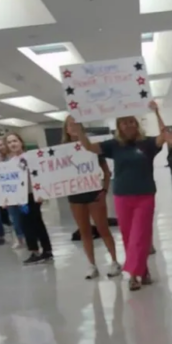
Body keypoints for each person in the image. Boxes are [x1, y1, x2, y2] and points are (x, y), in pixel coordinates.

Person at [70, 101, 172, 291]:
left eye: (131, 122)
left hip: (145, 195)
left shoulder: (147, 143)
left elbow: (164, 135)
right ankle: (141, 271)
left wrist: (157, 112)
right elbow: (89, 148)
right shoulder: (114, 145)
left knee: (140, 235)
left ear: (137, 124)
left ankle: (134, 274)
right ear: (119, 127)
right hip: (122, 196)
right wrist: (79, 130)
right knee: (127, 235)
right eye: (124, 123)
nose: (129, 125)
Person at [62, 120, 121, 279]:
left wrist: (104, 189)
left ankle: (114, 261)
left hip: (95, 194)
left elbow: (106, 172)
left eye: (76, 124)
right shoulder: (61, 152)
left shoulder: (92, 147)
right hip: (75, 196)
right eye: (70, 125)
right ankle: (91, 264)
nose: (73, 127)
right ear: (66, 130)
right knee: (84, 231)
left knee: (103, 228)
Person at [2, 133, 53, 265]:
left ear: (21, 142)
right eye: (9, 142)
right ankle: (35, 250)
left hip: (33, 195)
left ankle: (46, 250)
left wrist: (42, 193)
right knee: (26, 223)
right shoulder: (9, 164)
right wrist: (6, 199)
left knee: (36, 222)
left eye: (15, 141)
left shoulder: (31, 158)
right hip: (20, 197)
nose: (13, 144)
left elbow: (41, 175)